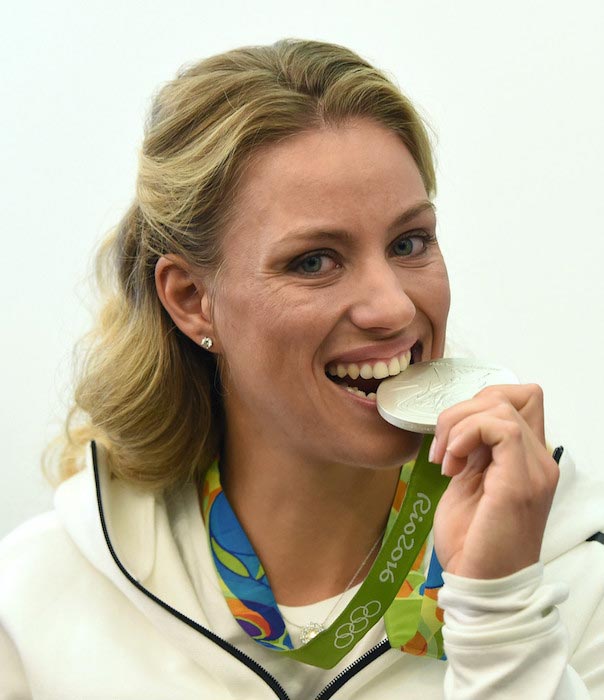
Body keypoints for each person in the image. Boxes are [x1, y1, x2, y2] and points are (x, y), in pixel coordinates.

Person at [1, 38, 603, 700]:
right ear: (192, 300)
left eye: (409, 243)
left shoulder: (573, 581)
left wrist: (499, 617)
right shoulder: (35, 607)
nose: (393, 306)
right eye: (314, 260)